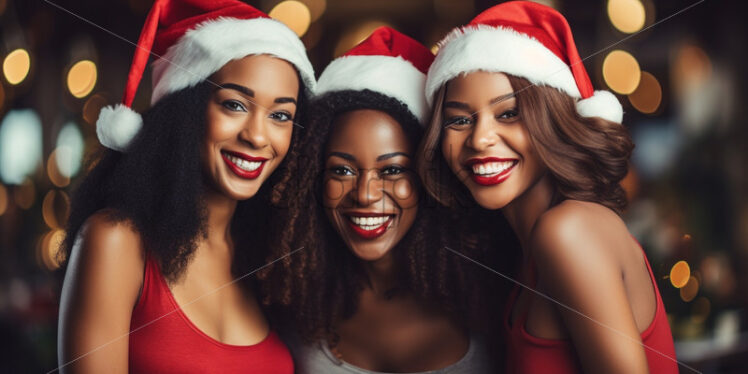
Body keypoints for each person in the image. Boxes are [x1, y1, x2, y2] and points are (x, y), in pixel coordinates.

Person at [417, 1, 678, 373]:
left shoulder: (567, 231)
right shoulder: (524, 250)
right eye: (459, 120)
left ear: (551, 120)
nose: (480, 139)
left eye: (508, 113)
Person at [56, 0, 315, 372]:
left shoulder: (272, 258)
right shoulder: (116, 241)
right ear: (186, 109)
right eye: (235, 105)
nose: (258, 136)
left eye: (280, 115)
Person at [258, 27, 499, 373]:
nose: (366, 194)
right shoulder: (287, 295)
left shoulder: (491, 289)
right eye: (342, 171)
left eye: (392, 171)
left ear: (428, 176)